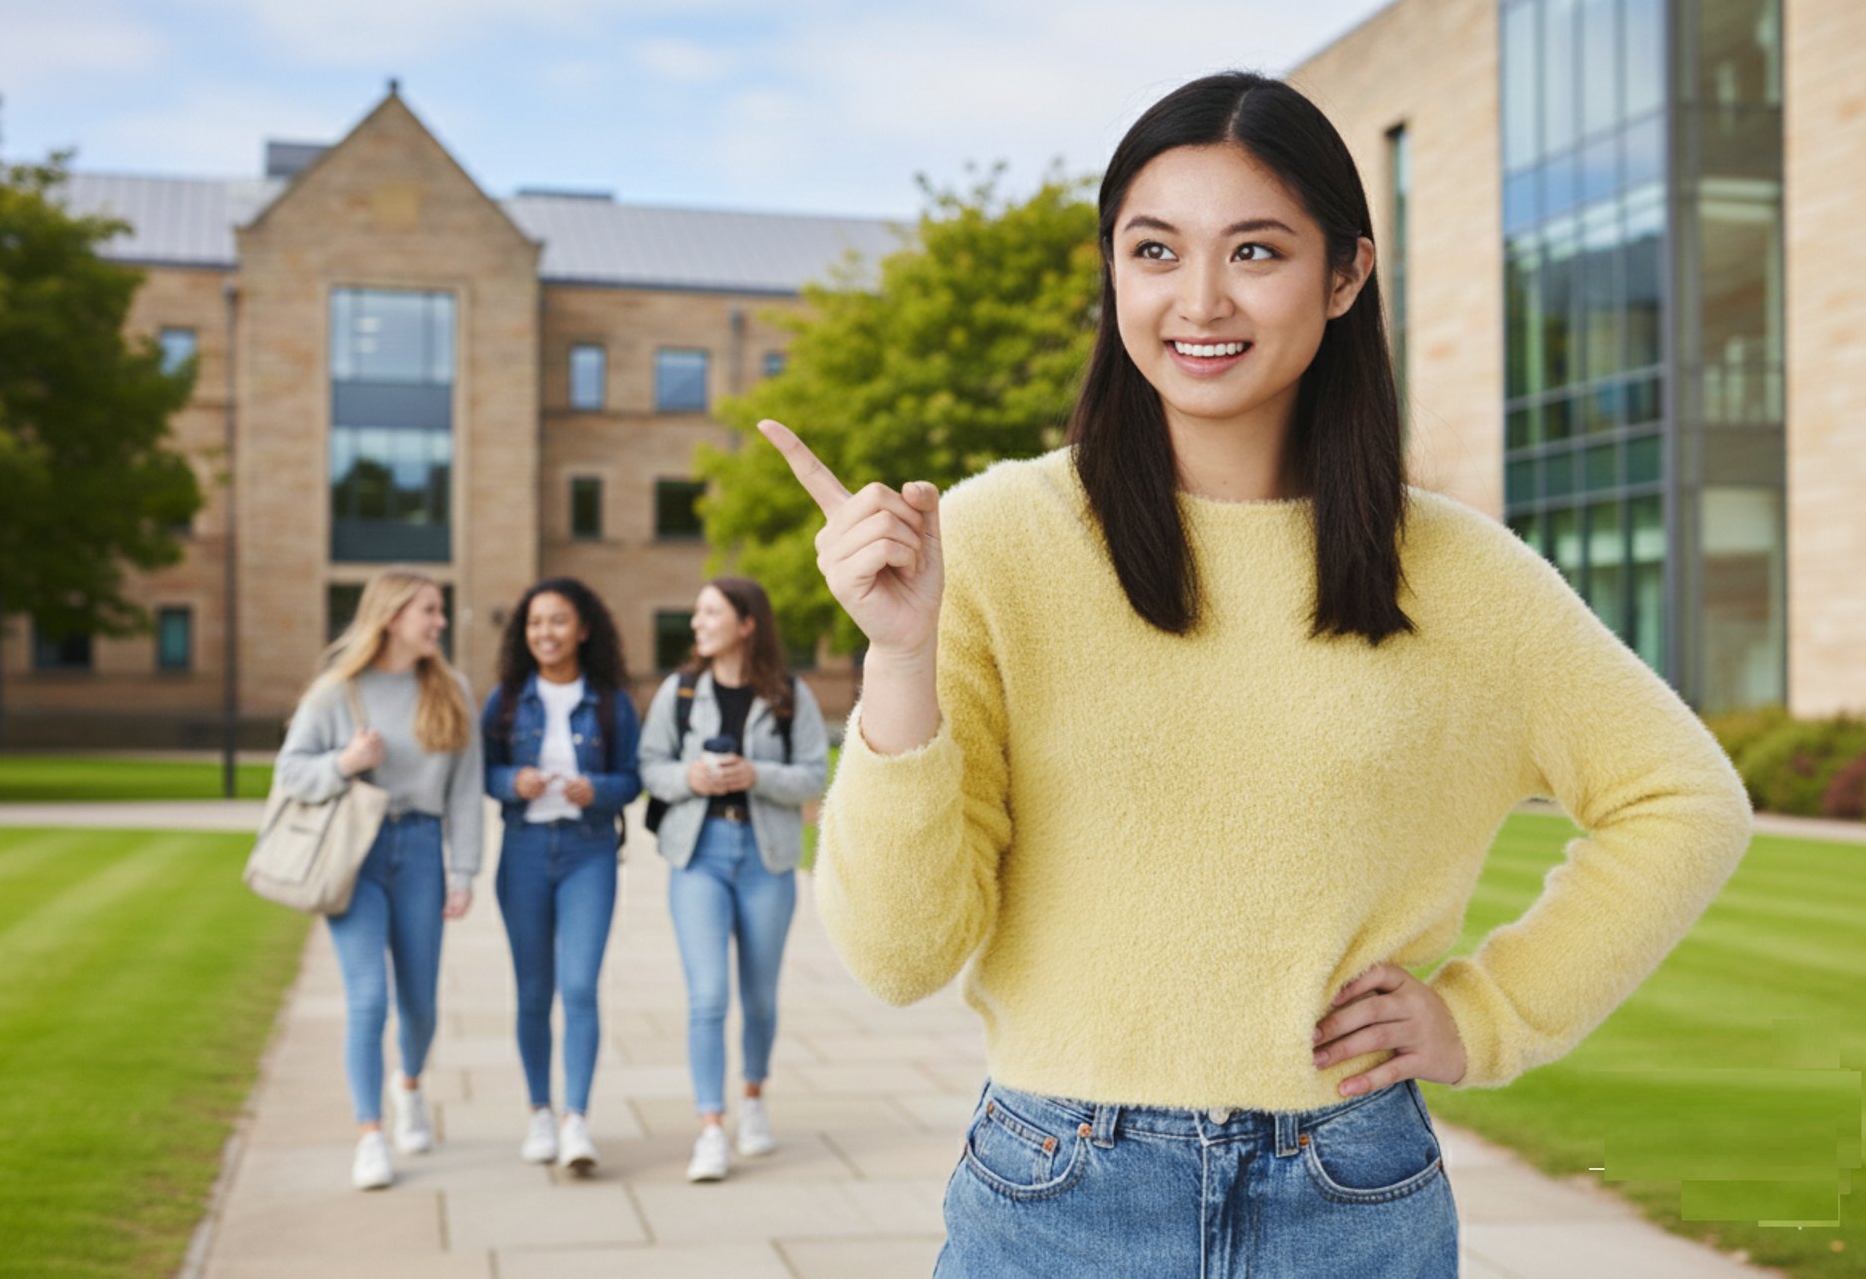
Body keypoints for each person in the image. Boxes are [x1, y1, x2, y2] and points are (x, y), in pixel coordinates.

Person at [762, 71, 1754, 1276]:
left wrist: (1485, 1014)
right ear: (1114, 275)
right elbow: (899, 954)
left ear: (1345, 275)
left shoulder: (1457, 571)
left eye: (1255, 250)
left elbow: (1685, 800)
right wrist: (899, 655)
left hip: (1351, 1196)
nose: (1200, 299)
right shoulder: (994, 541)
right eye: (1153, 250)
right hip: (1058, 1191)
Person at [276, 569, 484, 1191]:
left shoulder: (452, 690)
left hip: (421, 850)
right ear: (392, 617)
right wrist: (344, 763)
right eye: (430, 610)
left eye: (440, 611)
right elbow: (291, 771)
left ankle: (410, 1087)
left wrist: (464, 868)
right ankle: (370, 1134)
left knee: (419, 1004)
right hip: (356, 855)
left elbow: (467, 789)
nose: (440, 622)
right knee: (368, 999)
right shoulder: (336, 693)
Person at [637, 577, 830, 1183]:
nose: (698, 622)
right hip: (699, 855)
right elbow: (650, 765)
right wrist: (692, 778)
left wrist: (756, 775)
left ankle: (752, 1099)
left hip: (766, 857)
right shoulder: (681, 690)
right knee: (708, 997)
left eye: (710, 611)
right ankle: (711, 1128)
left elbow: (815, 777)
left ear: (747, 622)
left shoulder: (789, 694)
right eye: (696, 611)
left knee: (760, 998)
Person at [481, 577, 642, 1173]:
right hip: (522, 853)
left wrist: (594, 789)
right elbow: (484, 770)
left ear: (582, 629)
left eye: (557, 621)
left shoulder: (609, 702)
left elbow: (631, 778)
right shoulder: (503, 701)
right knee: (531, 992)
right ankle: (540, 1114)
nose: (544, 632)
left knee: (578, 988)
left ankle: (577, 1120)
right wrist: (510, 783)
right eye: (534, 623)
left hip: (588, 853)